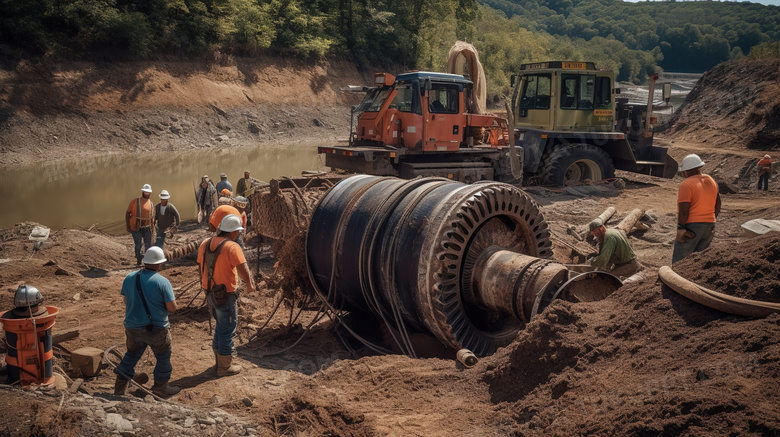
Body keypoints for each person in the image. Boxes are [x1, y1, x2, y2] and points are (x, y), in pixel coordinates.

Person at [114, 246, 180, 397]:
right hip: (156, 329)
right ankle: (160, 390)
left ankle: (118, 391)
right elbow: (172, 308)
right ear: (159, 264)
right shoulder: (163, 282)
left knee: (131, 356)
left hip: (132, 328)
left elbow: (126, 300)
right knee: (163, 358)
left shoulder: (129, 277)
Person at [197, 215, 256, 376]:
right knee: (227, 328)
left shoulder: (205, 243)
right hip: (225, 294)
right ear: (234, 232)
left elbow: (200, 267)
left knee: (221, 326)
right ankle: (224, 367)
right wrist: (250, 285)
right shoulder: (232, 246)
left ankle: (218, 361)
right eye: (237, 232)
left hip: (209, 292)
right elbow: (243, 269)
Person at [673, 154, 721, 263]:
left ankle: (677, 279)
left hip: (692, 226)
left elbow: (684, 210)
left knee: (680, 260)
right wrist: (712, 219)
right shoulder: (711, 180)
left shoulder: (686, 184)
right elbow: (718, 203)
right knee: (699, 261)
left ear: (686, 170)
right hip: (709, 225)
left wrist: (681, 227)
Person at [126, 184, 155, 265]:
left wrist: (152, 227)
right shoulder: (135, 201)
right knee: (138, 244)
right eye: (145, 192)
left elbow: (152, 216)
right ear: (142, 192)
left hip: (147, 226)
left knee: (148, 244)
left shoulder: (151, 203)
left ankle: (147, 260)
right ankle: (138, 260)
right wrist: (128, 226)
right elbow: (128, 213)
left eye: (148, 192)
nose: (147, 193)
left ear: (150, 193)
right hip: (135, 226)